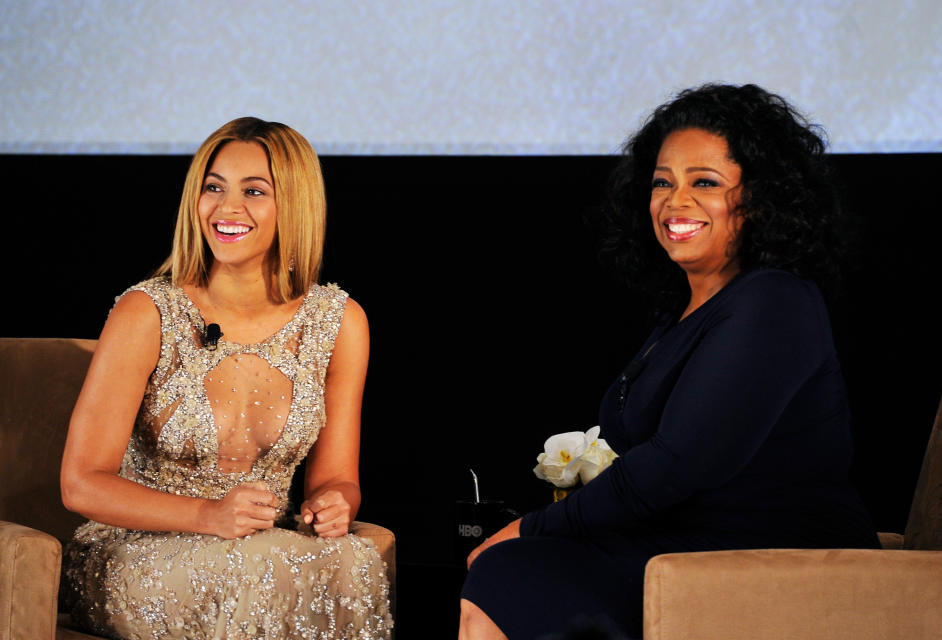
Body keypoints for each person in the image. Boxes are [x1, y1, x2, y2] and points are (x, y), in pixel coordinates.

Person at [459, 84, 879, 639]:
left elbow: (676, 464)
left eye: (704, 182)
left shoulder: (773, 302)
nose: (675, 202)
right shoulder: (683, 313)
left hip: (775, 565)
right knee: (504, 574)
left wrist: (533, 528)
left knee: (511, 571)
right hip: (681, 552)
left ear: (758, 198)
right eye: (663, 182)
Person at [60, 117, 392, 639]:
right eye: (213, 188)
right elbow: (81, 484)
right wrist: (207, 516)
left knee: (353, 561)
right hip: (133, 549)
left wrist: (336, 504)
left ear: (295, 205)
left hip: (266, 545)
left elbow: (336, 478)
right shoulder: (147, 311)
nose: (226, 208)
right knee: (257, 572)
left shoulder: (339, 322)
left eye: (253, 191)